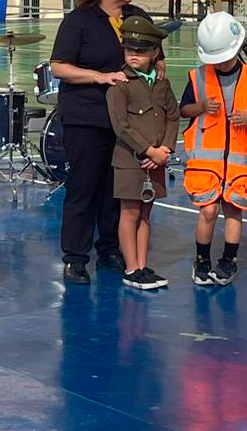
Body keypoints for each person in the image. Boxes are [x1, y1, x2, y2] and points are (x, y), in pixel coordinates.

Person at [49, 0, 165, 285]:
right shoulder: (80, 21)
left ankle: (111, 248)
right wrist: (100, 77)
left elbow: (158, 61)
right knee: (84, 187)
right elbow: (59, 67)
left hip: (128, 124)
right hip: (88, 118)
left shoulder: (138, 17)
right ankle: (75, 256)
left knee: (120, 189)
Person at [181, 12, 247, 286]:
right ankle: (202, 259)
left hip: (240, 163)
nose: (218, 64)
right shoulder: (198, 78)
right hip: (206, 164)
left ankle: (228, 260)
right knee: (207, 211)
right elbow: (184, 109)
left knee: (234, 210)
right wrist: (201, 108)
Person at [105, 16, 179, 290]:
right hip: (129, 161)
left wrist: (166, 149)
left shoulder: (162, 84)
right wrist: (149, 150)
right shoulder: (120, 85)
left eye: (140, 50)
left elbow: (173, 116)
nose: (133, 55)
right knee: (130, 213)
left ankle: (143, 265)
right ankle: (131, 267)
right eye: (129, 50)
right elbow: (121, 126)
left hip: (156, 161)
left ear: (155, 53)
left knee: (146, 213)